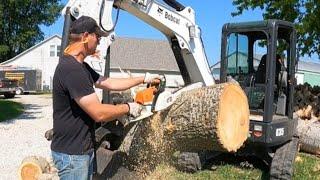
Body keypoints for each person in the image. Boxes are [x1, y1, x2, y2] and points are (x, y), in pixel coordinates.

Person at [51, 16, 160, 180]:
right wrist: (129, 108)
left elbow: (108, 82)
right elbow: (99, 113)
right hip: (73, 155)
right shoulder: (72, 70)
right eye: (98, 37)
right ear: (86, 36)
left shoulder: (81, 67)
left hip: (81, 149)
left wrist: (143, 78)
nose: (100, 41)